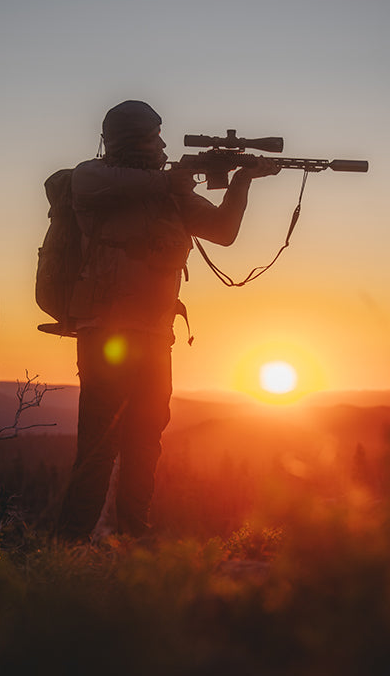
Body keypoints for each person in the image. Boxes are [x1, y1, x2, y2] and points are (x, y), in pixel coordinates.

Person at [55, 99, 279, 542]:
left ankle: (133, 545)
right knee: (99, 449)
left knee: (144, 445)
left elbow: (223, 231)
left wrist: (242, 183)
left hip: (157, 337)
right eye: (153, 136)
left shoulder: (168, 192)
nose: (162, 142)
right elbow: (120, 184)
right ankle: (67, 549)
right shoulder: (91, 179)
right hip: (106, 336)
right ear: (131, 140)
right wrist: (176, 180)